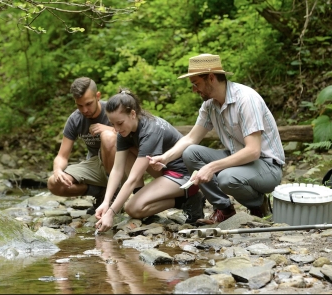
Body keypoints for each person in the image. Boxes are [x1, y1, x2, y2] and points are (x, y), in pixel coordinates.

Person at [149, 53, 285, 225]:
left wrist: (211, 167)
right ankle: (225, 209)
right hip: (240, 160)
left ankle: (258, 206)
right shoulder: (209, 105)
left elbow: (253, 151)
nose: (194, 89)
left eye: (196, 84)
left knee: (226, 177)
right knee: (191, 153)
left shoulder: (245, 99)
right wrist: (164, 158)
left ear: (211, 78)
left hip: (267, 166)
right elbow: (191, 138)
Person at [94, 88, 202, 233]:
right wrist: (106, 203)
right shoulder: (125, 131)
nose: (116, 129)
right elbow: (117, 169)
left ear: (133, 114)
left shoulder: (150, 130)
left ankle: (188, 199)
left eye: (119, 123)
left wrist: (111, 213)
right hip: (163, 169)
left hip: (185, 176)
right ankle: (142, 196)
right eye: (112, 124)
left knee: (132, 208)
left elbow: (133, 179)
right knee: (128, 152)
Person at [47, 77, 117, 206]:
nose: (84, 110)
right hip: (95, 164)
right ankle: (99, 192)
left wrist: (110, 129)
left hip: (121, 164)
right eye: (80, 105)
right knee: (54, 184)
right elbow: (62, 156)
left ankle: (114, 193)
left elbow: (135, 134)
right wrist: (57, 171)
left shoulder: (113, 110)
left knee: (108, 136)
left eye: (88, 104)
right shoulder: (75, 119)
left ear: (98, 96)